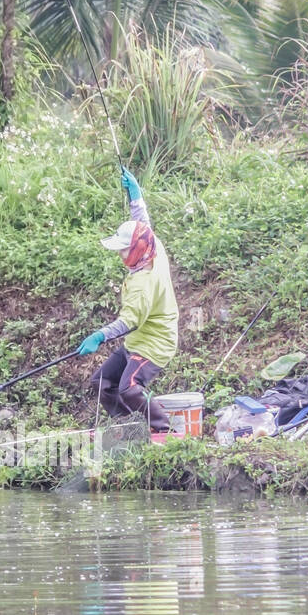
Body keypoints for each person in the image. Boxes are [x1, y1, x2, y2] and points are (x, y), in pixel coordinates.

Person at [77, 167, 179, 443]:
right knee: (102, 383)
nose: (121, 254)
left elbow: (128, 322)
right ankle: (128, 425)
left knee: (130, 387)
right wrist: (136, 196)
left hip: (156, 342)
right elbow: (143, 223)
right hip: (137, 342)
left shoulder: (143, 282)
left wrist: (99, 336)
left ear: (136, 249)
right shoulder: (153, 250)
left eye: (124, 249)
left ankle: (164, 429)